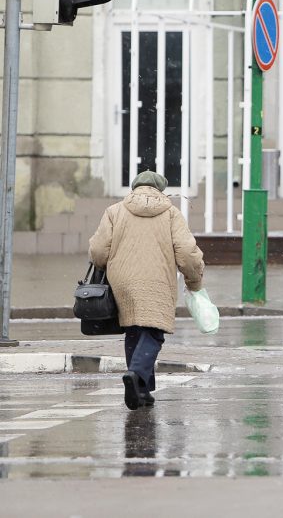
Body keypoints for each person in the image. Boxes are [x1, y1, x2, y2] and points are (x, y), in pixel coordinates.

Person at [89, 170, 205, 410]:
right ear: (160, 189)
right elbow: (186, 253)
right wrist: (194, 282)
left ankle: (142, 390)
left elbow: (99, 251)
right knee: (154, 331)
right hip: (157, 278)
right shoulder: (171, 214)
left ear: (134, 188)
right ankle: (135, 373)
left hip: (122, 279)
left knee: (134, 329)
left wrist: (104, 266)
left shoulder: (114, 211)